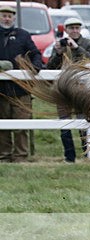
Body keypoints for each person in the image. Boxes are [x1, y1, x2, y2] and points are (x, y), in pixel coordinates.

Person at [48, 17, 90, 163]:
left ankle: (86, 154)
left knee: (84, 122)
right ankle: (69, 157)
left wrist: (77, 48)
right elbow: (50, 68)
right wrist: (58, 53)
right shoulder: (60, 45)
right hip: (63, 90)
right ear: (66, 30)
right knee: (64, 123)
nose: (74, 31)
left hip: (83, 89)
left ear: (80, 29)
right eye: (71, 28)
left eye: (77, 28)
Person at [0, 5, 43, 163]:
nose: (6, 18)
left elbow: (35, 53)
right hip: (1, 90)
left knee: (21, 124)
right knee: (2, 125)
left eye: (9, 16)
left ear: (13, 18)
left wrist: (35, 67)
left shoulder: (22, 35)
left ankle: (21, 156)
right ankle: (3, 156)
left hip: (21, 89)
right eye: (4, 15)